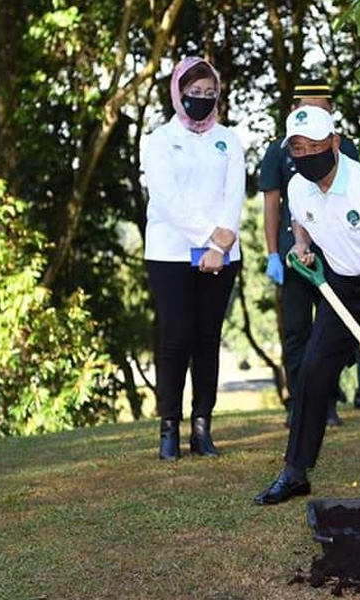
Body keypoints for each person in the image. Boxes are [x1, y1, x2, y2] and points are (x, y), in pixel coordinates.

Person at [254, 106, 360, 505]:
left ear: (335, 142)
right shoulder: (298, 187)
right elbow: (301, 219)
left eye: (315, 146)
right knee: (313, 372)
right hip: (342, 286)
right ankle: (296, 473)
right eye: (298, 149)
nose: (307, 155)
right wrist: (300, 244)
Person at [259, 79, 360, 422]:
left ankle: (329, 401)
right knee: (298, 331)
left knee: (335, 332)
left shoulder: (343, 150)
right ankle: (299, 401)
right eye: (307, 108)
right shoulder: (276, 151)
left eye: (322, 109)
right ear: (293, 110)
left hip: (334, 258)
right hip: (297, 257)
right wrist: (275, 251)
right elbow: (273, 204)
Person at [141, 57, 245, 460]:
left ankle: (203, 426)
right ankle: (169, 426)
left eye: (209, 93)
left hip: (223, 254)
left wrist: (220, 246)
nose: (201, 100)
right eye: (193, 93)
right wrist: (206, 237)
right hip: (169, 253)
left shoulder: (230, 140)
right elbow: (167, 199)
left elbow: (234, 194)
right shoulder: (160, 140)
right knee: (176, 338)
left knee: (207, 340)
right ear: (177, 93)